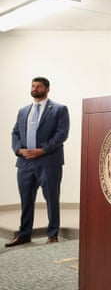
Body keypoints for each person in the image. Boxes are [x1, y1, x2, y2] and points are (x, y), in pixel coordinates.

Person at [6, 77, 70, 247]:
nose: (35, 89)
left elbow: (61, 134)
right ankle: (24, 234)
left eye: (39, 86)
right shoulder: (23, 110)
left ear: (47, 89)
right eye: (33, 86)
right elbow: (15, 133)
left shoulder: (59, 109)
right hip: (25, 163)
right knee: (26, 200)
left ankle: (52, 234)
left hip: (48, 161)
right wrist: (19, 150)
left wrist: (42, 150)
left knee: (51, 199)